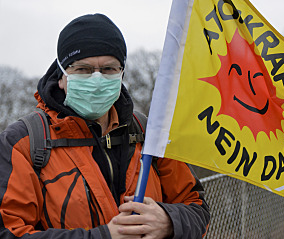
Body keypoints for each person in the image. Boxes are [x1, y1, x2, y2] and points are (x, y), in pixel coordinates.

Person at [0, 13, 210, 239]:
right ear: (61, 77)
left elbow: (196, 207)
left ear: (121, 74)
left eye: (109, 69)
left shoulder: (148, 132)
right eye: (83, 69)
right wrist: (103, 237)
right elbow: (10, 233)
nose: (97, 80)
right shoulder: (22, 143)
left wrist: (169, 221)